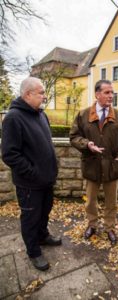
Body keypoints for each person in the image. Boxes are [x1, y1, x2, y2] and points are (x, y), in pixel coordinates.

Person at [1, 77, 61, 271]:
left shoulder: (41, 115)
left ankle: (42, 236)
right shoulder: (13, 118)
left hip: (46, 180)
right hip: (29, 184)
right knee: (30, 218)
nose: (44, 96)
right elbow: (9, 154)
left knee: (44, 212)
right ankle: (33, 251)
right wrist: (33, 172)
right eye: (41, 93)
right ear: (27, 94)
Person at [70, 80, 118, 245]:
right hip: (92, 166)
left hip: (112, 167)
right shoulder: (83, 115)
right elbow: (74, 137)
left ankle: (110, 228)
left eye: (112, 93)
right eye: (107, 92)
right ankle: (92, 225)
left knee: (111, 202)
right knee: (90, 201)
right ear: (97, 94)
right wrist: (87, 144)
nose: (111, 96)